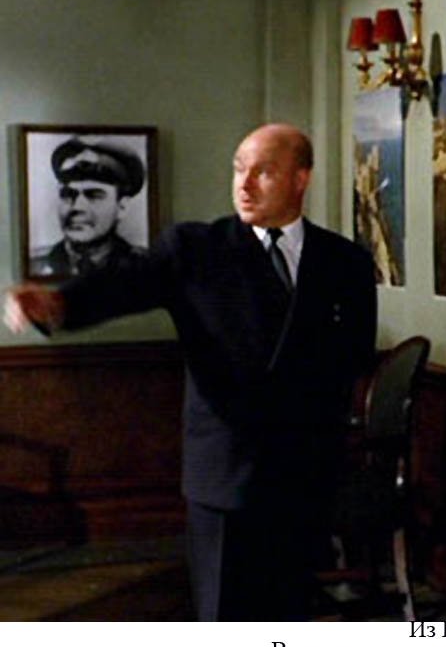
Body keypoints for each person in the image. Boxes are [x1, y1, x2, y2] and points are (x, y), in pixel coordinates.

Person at [5, 123, 377, 621]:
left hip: (303, 476)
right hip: (225, 475)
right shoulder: (196, 249)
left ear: (300, 178)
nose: (244, 184)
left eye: (263, 172)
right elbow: (122, 285)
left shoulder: (345, 262)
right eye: (239, 169)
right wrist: (58, 304)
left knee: (288, 617)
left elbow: (354, 357)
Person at [29, 137, 148, 277]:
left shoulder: (145, 267)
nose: (77, 207)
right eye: (68, 195)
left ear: (122, 207)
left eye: (94, 196)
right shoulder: (35, 266)